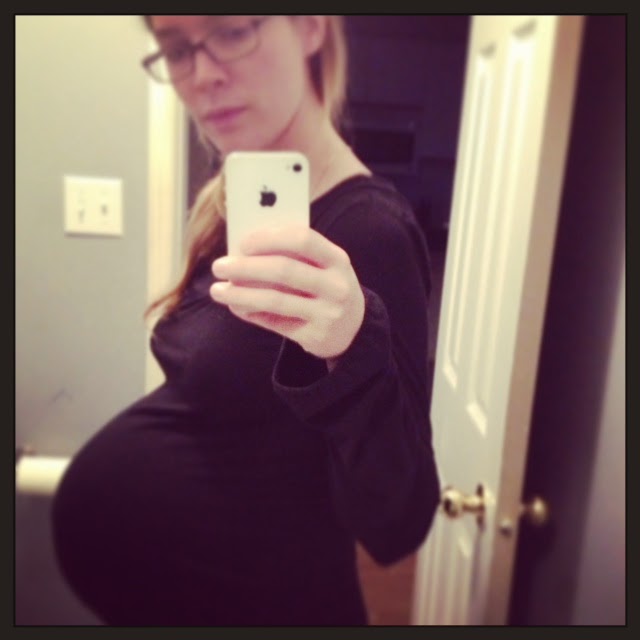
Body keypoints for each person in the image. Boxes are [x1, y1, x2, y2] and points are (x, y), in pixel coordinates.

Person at [51, 15, 440, 626]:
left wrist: (351, 351)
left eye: (232, 30)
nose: (201, 75)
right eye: (175, 48)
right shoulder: (235, 206)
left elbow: (399, 523)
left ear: (311, 27)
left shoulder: (371, 231)